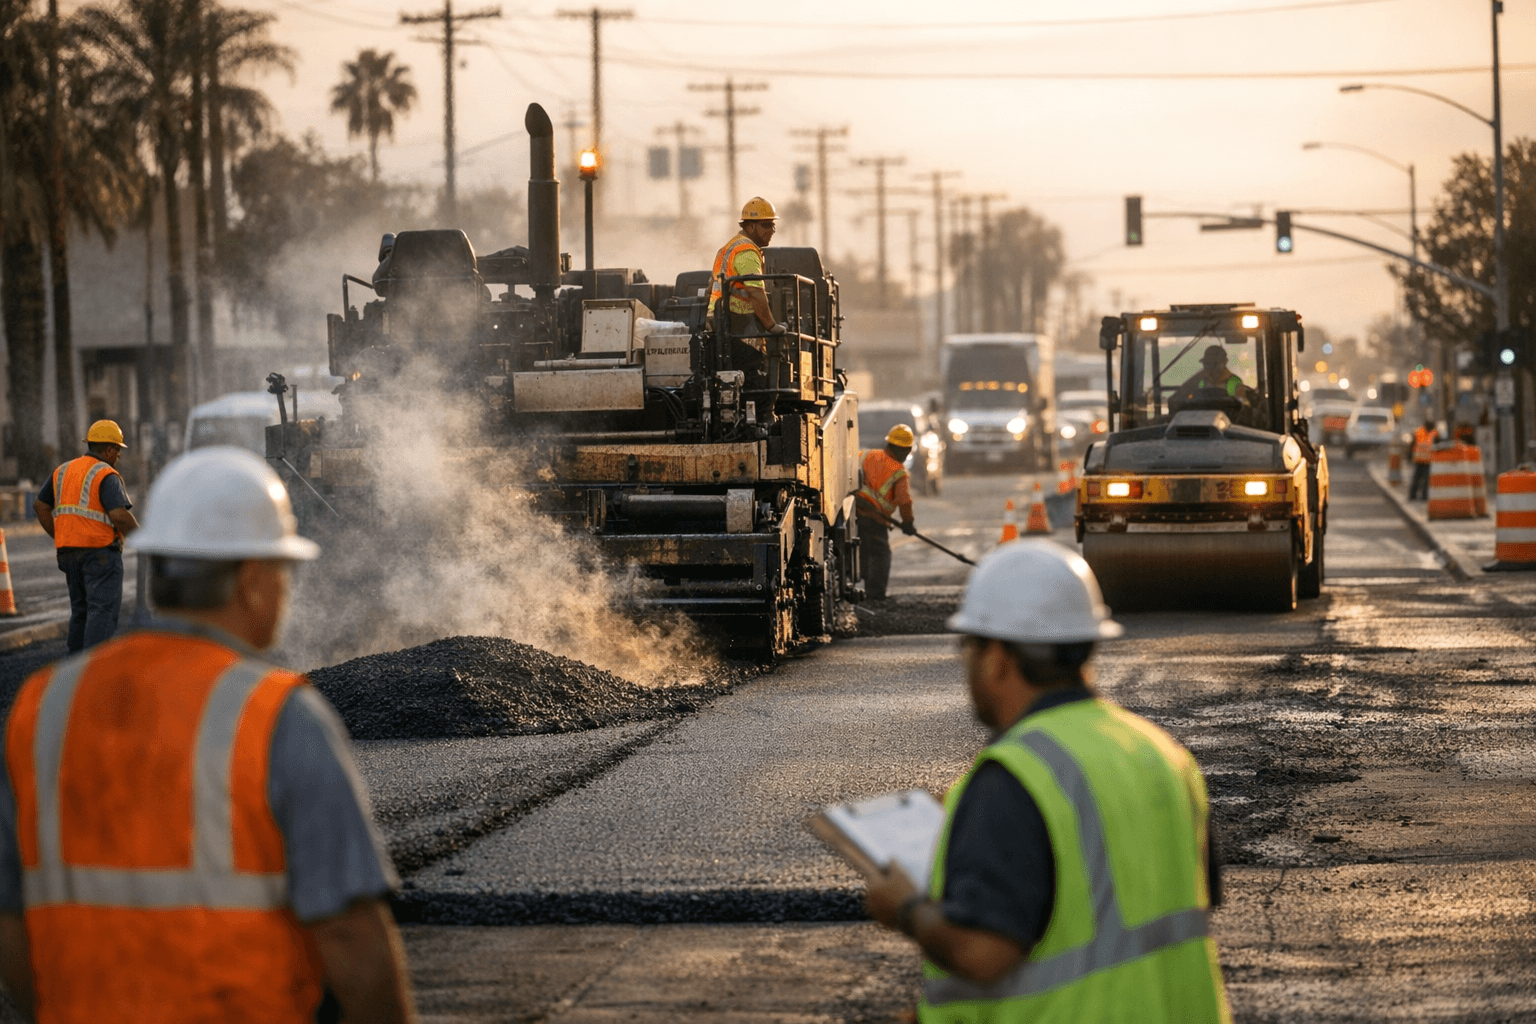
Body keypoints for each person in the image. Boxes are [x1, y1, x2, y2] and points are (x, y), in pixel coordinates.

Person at [0, 446, 417, 1024]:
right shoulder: (279, 716)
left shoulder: (41, 709)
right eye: (283, 573)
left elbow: (13, 933)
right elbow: (351, 936)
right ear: (251, 581)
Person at [866, 541, 1231, 1023]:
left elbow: (984, 955)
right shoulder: (1162, 754)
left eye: (968, 648)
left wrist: (905, 907)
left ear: (996, 658)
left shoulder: (1016, 777)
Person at [32, 420, 139, 653]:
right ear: (108, 450)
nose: (119, 454)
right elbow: (119, 516)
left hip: (68, 554)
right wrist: (145, 540)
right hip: (99, 554)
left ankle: (74, 673)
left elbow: (40, 504)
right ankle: (91, 674)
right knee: (101, 611)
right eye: (118, 449)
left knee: (80, 612)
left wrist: (60, 533)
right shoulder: (106, 474)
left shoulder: (63, 470)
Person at [707, 197, 787, 337]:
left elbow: (711, 287)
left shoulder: (730, 247)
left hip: (721, 318)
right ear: (750, 226)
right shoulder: (746, 251)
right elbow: (755, 292)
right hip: (737, 321)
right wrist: (771, 325)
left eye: (773, 225)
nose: (772, 230)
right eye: (766, 225)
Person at [856, 425, 919, 602]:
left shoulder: (866, 455)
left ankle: (847, 592)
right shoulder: (898, 471)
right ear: (905, 449)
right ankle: (875, 596)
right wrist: (908, 523)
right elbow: (904, 501)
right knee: (880, 555)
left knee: (858, 551)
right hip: (875, 520)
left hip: (852, 514)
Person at [1174, 345, 1257, 420]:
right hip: (1203, 421)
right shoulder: (1203, 381)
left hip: (1227, 425)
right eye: (1206, 363)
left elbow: (1242, 408)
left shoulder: (1234, 382)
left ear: (1223, 363)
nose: (1206, 367)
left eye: (1211, 363)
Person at [1409, 418, 1438, 500]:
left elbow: (1412, 445)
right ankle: (1423, 497)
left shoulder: (1419, 432)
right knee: (1424, 480)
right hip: (1426, 460)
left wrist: (1410, 455)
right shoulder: (1434, 433)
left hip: (1421, 459)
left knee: (1418, 479)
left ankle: (1413, 496)